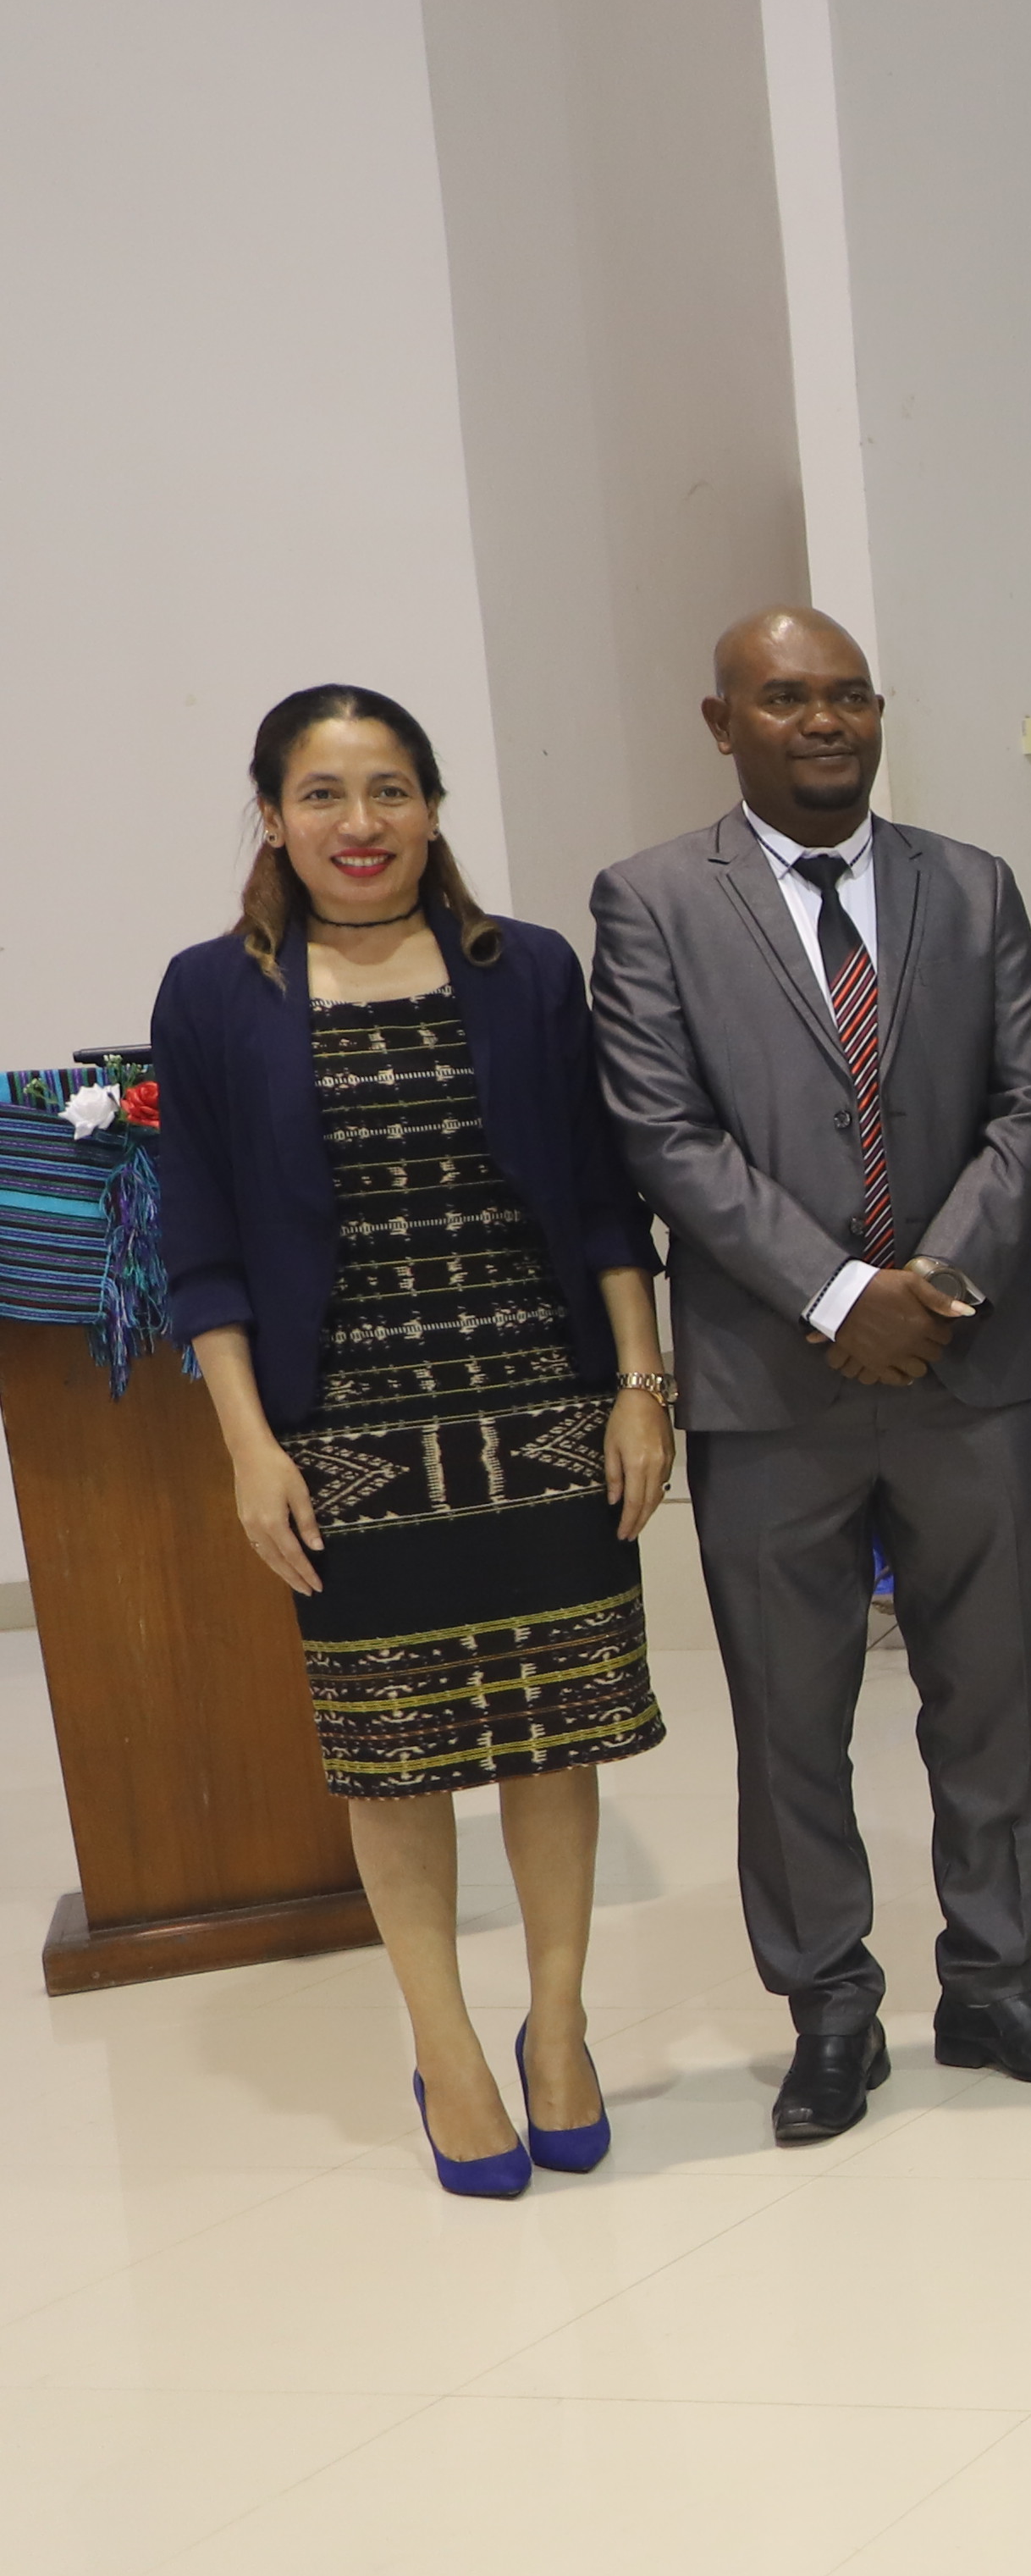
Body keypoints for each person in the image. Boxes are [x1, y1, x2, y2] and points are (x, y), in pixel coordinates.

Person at [590, 607, 1031, 2144]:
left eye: (848, 696)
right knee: (790, 1718)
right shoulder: (652, 901)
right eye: (784, 698)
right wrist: (834, 1294)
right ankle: (830, 2009)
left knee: (992, 1701)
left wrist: (932, 1286)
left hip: (970, 1366)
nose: (823, 721)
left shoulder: (974, 884)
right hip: (772, 1384)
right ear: (722, 722)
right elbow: (663, 1132)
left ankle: (995, 1982)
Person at [152, 688, 672, 2196]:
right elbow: (203, 1244)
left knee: (556, 1738)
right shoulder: (214, 993)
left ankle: (559, 2031)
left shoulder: (527, 971)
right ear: (272, 819)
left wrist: (641, 1384)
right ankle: (447, 2052)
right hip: (349, 1432)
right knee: (394, 1756)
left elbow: (602, 1199)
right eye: (323, 795)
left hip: (539, 1409)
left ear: (433, 809)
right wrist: (250, 1446)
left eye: (389, 790)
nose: (360, 824)